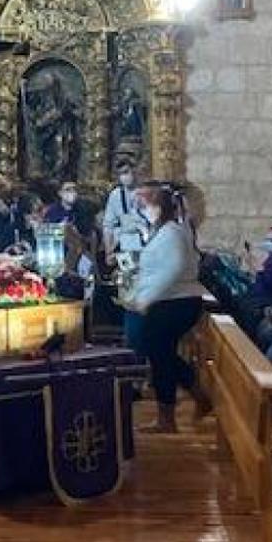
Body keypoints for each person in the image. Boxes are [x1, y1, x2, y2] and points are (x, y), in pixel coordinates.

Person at [120, 184, 209, 433]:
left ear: (159, 208)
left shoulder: (171, 232)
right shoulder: (165, 231)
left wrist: (145, 298)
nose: (142, 210)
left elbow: (173, 269)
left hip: (176, 302)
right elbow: (158, 269)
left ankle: (169, 418)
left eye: (146, 205)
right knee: (163, 355)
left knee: (161, 357)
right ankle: (197, 397)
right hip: (171, 301)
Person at [102, 160, 146, 259]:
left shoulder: (146, 192)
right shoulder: (115, 195)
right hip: (123, 243)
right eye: (120, 174)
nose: (124, 177)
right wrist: (108, 251)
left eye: (126, 172)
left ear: (134, 172)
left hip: (144, 242)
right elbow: (108, 225)